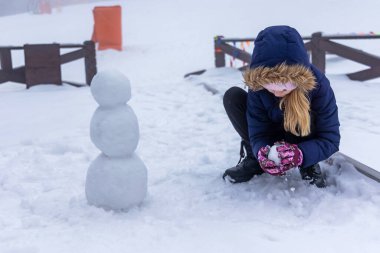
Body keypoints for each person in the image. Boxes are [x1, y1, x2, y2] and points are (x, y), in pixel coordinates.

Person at [222, 26, 340, 188]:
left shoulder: (318, 86)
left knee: (304, 109)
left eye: (284, 88)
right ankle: (256, 161)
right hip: (273, 132)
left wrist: (300, 154)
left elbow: (330, 138)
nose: (277, 94)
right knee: (233, 97)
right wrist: (260, 151)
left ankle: (308, 163)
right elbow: (258, 131)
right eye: (271, 88)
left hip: (302, 136)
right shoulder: (258, 86)